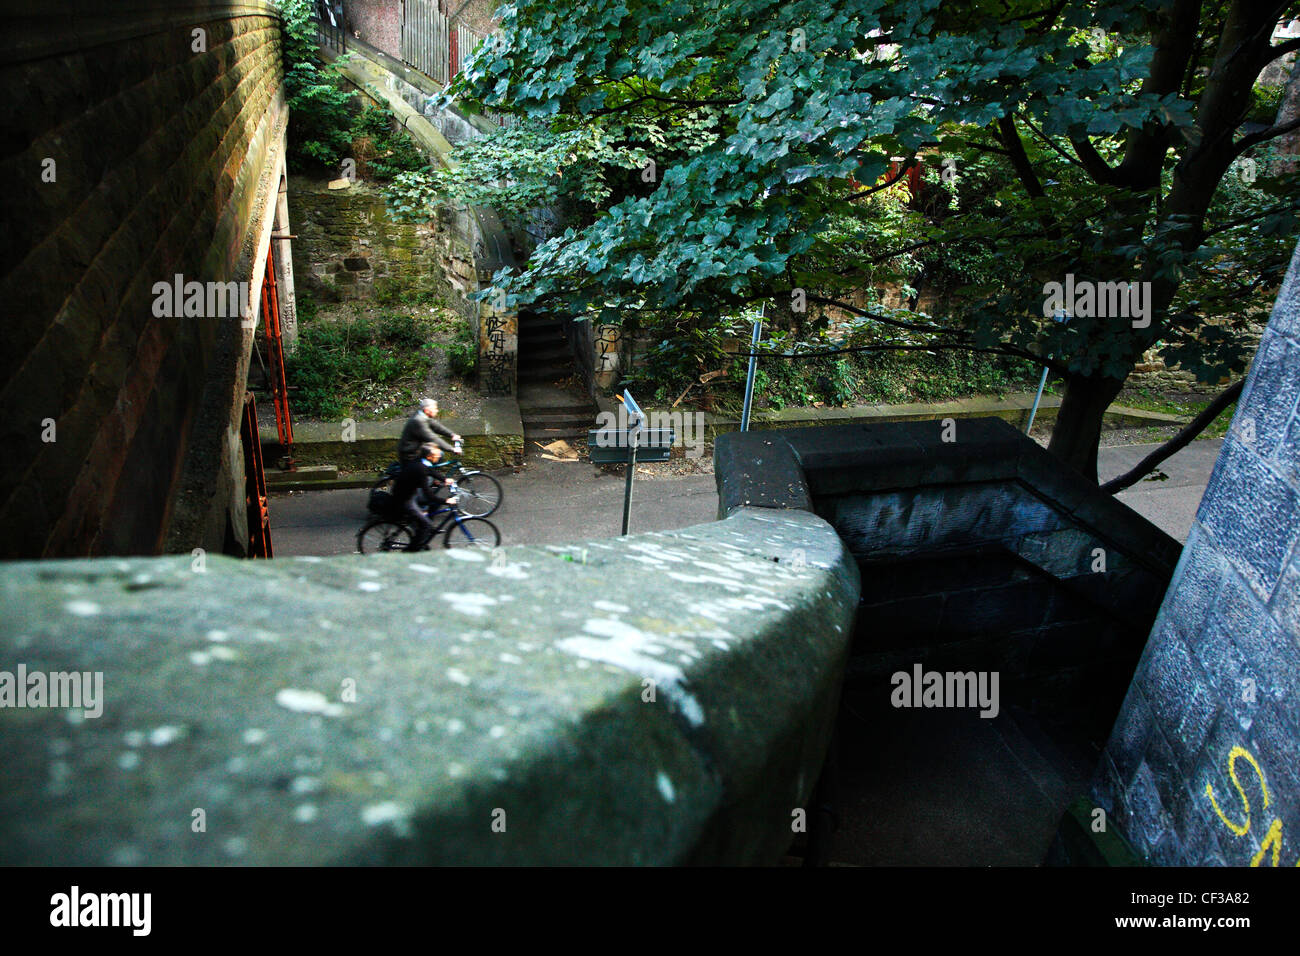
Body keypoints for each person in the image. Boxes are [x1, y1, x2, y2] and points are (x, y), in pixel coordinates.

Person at [392, 443, 455, 551]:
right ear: (429, 456)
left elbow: (431, 471)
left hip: (408, 494)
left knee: (424, 521)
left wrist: (444, 480)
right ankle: (409, 551)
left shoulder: (420, 461)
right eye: (436, 455)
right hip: (405, 499)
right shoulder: (421, 469)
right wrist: (446, 500)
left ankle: (421, 534)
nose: (439, 456)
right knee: (426, 525)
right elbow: (428, 495)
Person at [398, 398, 462, 462]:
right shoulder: (418, 421)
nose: (437, 411)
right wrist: (452, 449)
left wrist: (452, 435)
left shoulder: (422, 415)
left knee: (439, 455)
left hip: (417, 449)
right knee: (436, 457)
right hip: (410, 455)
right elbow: (432, 438)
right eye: (435, 409)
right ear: (427, 410)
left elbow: (437, 427)